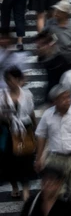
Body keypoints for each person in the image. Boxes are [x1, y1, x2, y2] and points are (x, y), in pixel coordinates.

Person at [34, 83, 71, 216]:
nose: (67, 100)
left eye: (68, 97)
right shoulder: (48, 115)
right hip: (55, 159)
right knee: (55, 192)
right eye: (63, 98)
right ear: (55, 101)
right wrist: (39, 158)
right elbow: (41, 136)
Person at [1, 66, 36, 203]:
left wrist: (34, 127)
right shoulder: (2, 95)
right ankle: (15, 186)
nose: (12, 82)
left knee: (26, 159)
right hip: (8, 131)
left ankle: (26, 189)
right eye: (9, 79)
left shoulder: (27, 94)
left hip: (24, 129)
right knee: (9, 161)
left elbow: (31, 112)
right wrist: (5, 116)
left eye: (15, 78)